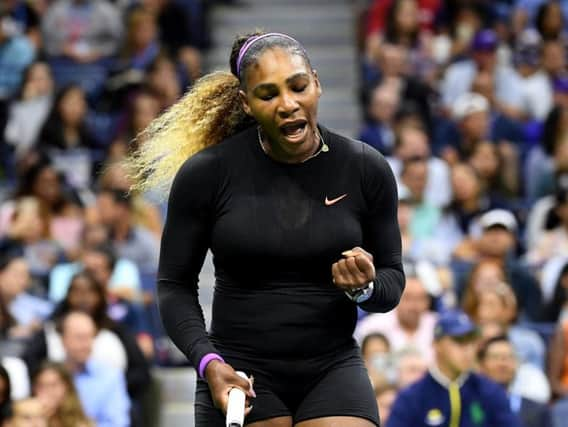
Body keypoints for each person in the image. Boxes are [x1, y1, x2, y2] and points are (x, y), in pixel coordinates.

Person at [125, 31, 405, 426]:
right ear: (247, 104)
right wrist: (208, 362)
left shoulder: (365, 168)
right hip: (238, 371)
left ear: (317, 83)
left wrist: (365, 287)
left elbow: (391, 282)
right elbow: (174, 285)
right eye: (268, 94)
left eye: (298, 86)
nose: (288, 104)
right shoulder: (208, 174)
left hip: (332, 366)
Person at [386, 309, 521, 427]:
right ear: (436, 345)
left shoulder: (490, 392)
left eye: (471, 341)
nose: (468, 349)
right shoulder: (412, 397)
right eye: (459, 341)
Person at [478, 335, 551, 427]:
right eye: (495, 357)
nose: (502, 363)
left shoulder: (538, 411)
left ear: (517, 363)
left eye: (509, 357)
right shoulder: (466, 404)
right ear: (481, 364)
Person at [31, 362, 93, 427]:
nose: (49, 391)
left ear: (67, 386)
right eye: (42, 386)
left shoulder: (81, 422)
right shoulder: (24, 415)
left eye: (54, 385)